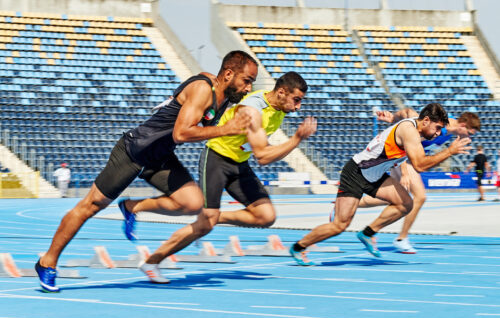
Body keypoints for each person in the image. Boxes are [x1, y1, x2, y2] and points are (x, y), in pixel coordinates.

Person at [34, 50, 258, 292]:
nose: (248, 88)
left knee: (192, 203)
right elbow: (181, 133)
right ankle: (47, 261)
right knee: (90, 206)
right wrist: (225, 129)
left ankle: (131, 207)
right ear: (228, 74)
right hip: (134, 151)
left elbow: (192, 103)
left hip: (159, 156)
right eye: (247, 81)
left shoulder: (223, 96)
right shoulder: (204, 89)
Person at [125, 71, 316, 283]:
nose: (298, 107)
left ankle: (215, 216)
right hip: (216, 159)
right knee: (205, 225)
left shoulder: (276, 107)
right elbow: (262, 156)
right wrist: (297, 138)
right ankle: (152, 262)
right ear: (281, 92)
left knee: (265, 216)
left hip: (238, 162)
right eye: (296, 100)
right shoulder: (253, 110)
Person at [289, 103, 471, 265]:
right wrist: (449, 151)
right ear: (425, 120)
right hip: (357, 172)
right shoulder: (409, 130)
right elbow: (420, 164)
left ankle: (368, 233)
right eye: (437, 128)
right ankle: (298, 246)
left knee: (406, 204)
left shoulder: (417, 125)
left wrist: (393, 117)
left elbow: (405, 112)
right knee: (339, 225)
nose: (439, 133)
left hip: (375, 175)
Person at [356, 109, 480, 253]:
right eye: (470, 134)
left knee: (389, 199)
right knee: (420, 197)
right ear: (463, 125)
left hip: (408, 159)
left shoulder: (449, 132)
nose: (469, 138)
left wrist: (393, 119)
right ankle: (401, 239)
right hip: (402, 158)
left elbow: (406, 116)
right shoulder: (441, 126)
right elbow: (407, 116)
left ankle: (347, 203)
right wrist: (404, 172)